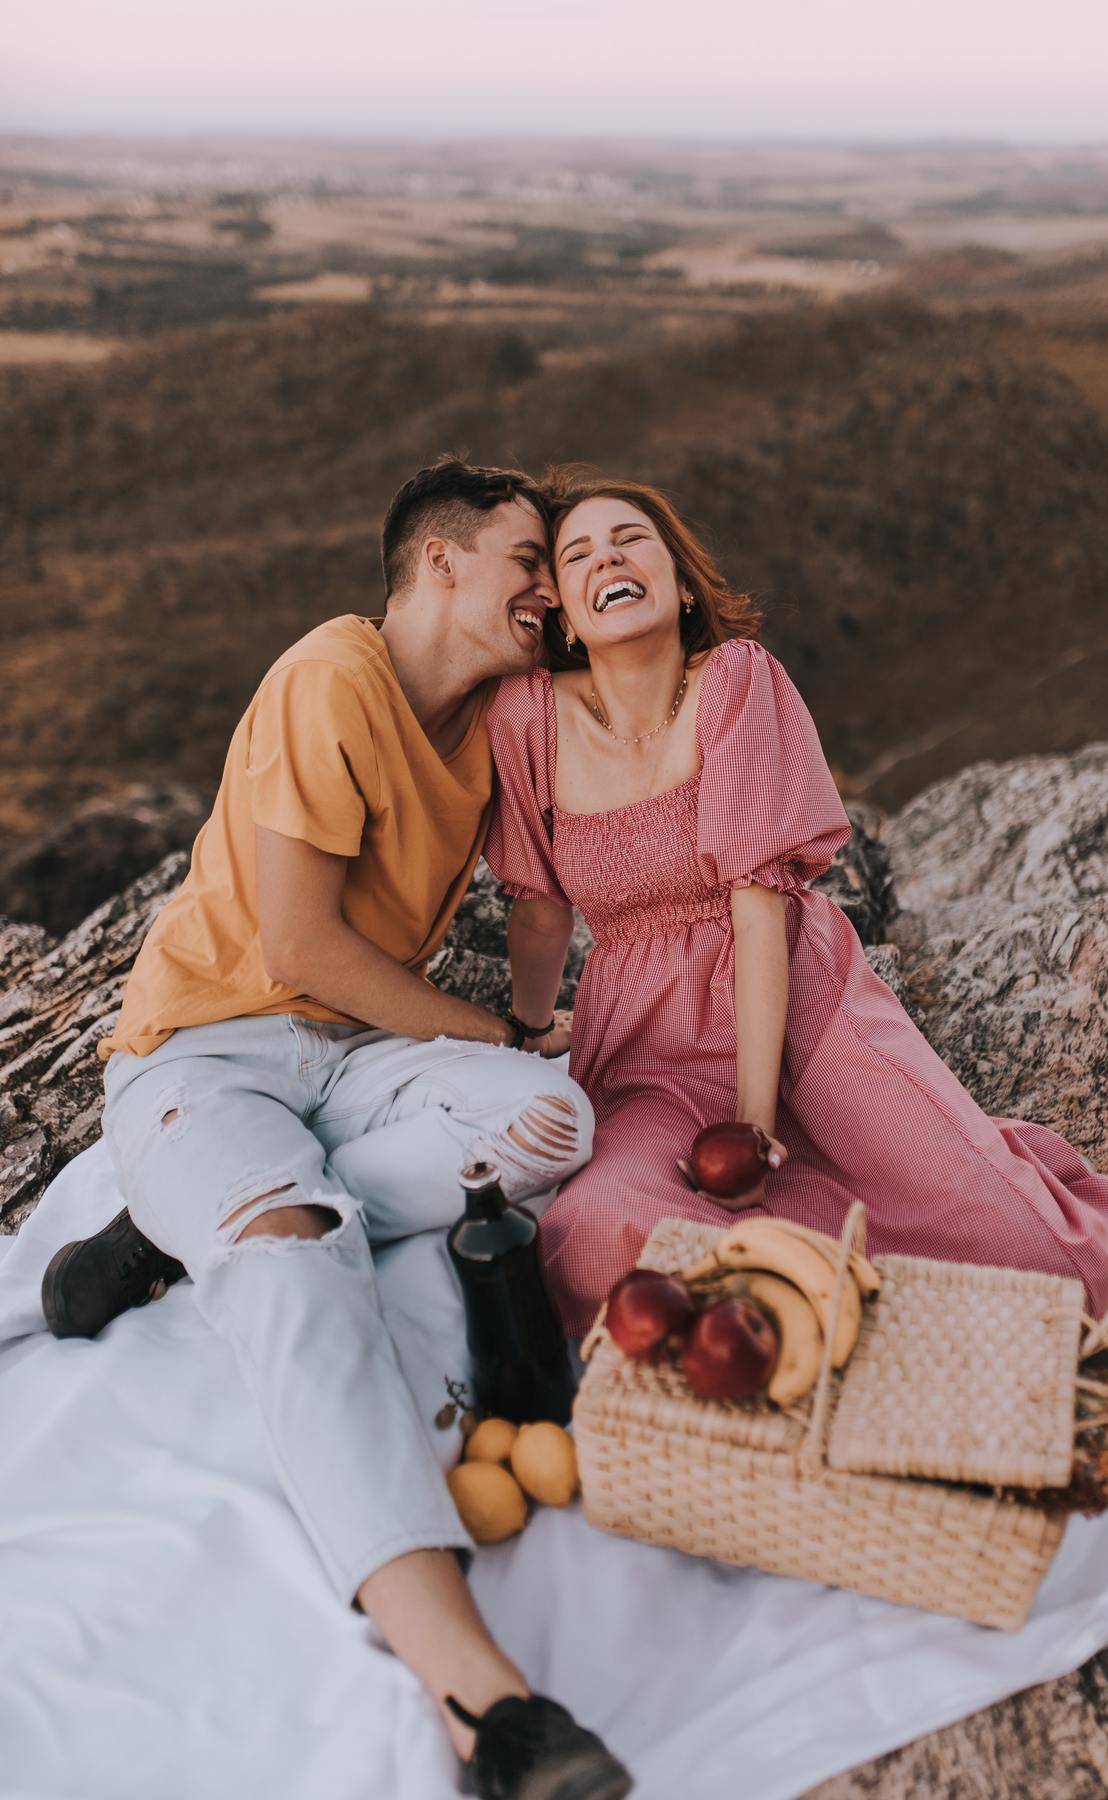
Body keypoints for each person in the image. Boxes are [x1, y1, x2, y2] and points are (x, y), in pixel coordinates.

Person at [40, 459, 633, 1800]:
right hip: (210, 1049)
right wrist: (477, 1029)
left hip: (356, 1062)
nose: (545, 591)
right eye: (523, 560)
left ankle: (168, 1221)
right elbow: (302, 941)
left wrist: (525, 1027)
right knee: (299, 1255)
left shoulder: (496, 720)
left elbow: (556, 868)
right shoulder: (331, 676)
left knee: (551, 1119)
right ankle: (486, 1703)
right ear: (438, 563)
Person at [483, 473, 1108, 1340]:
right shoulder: (527, 716)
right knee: (591, 1239)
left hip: (800, 1013)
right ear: (564, 613)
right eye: (578, 553)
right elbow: (538, 904)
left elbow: (756, 913)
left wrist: (751, 1132)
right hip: (647, 1053)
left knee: (1038, 1262)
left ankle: (937, 1189)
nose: (607, 556)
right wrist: (530, 1031)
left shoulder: (735, 681)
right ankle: (783, 1327)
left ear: (681, 585)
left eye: (632, 539)